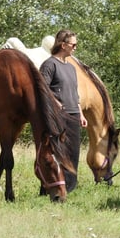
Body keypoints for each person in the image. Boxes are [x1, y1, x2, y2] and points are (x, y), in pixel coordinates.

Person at [39, 29, 87, 193]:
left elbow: (74, 92)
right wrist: (56, 103)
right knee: (57, 154)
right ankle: (49, 189)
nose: (75, 47)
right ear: (62, 44)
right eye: (73, 44)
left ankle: (70, 188)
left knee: (73, 153)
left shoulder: (71, 67)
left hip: (73, 115)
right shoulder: (49, 64)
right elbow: (41, 89)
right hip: (58, 117)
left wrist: (80, 113)